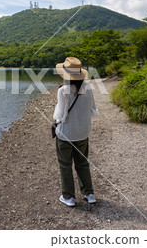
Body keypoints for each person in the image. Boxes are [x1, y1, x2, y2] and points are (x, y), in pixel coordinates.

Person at [53, 57, 98, 207]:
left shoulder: (62, 91)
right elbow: (93, 110)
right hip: (83, 133)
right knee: (82, 163)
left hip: (66, 134)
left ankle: (69, 197)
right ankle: (89, 193)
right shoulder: (89, 89)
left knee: (65, 165)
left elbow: (59, 116)